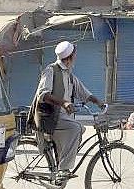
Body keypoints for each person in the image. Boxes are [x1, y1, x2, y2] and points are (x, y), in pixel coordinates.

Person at [28, 41, 106, 185]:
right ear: (69, 57)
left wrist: (98, 102)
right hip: (49, 116)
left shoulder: (68, 74)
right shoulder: (51, 70)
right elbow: (43, 95)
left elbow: (83, 92)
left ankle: (61, 159)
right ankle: (63, 169)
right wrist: (64, 103)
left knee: (80, 128)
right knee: (75, 128)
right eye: (74, 56)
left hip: (61, 117)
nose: (75, 58)